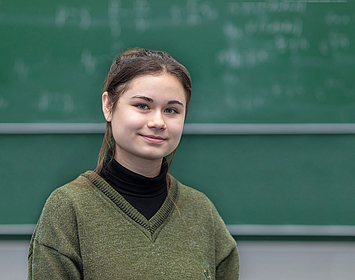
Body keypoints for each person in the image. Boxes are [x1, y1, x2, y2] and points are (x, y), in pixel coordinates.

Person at [27, 48, 239, 279]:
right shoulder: (68, 209)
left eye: (171, 110)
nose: (158, 122)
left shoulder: (201, 212)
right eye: (142, 106)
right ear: (109, 106)